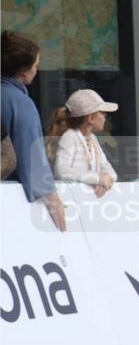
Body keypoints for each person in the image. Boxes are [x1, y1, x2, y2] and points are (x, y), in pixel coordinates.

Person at [1, 30, 65, 230]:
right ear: (24, 71)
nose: (37, 71)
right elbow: (32, 155)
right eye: (36, 66)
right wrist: (53, 199)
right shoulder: (19, 103)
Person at [49, 89, 118, 196]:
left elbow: (110, 171)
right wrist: (97, 178)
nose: (105, 116)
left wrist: (104, 180)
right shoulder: (69, 137)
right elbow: (61, 171)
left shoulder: (93, 139)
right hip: (72, 198)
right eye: (102, 112)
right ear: (90, 118)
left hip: (88, 200)